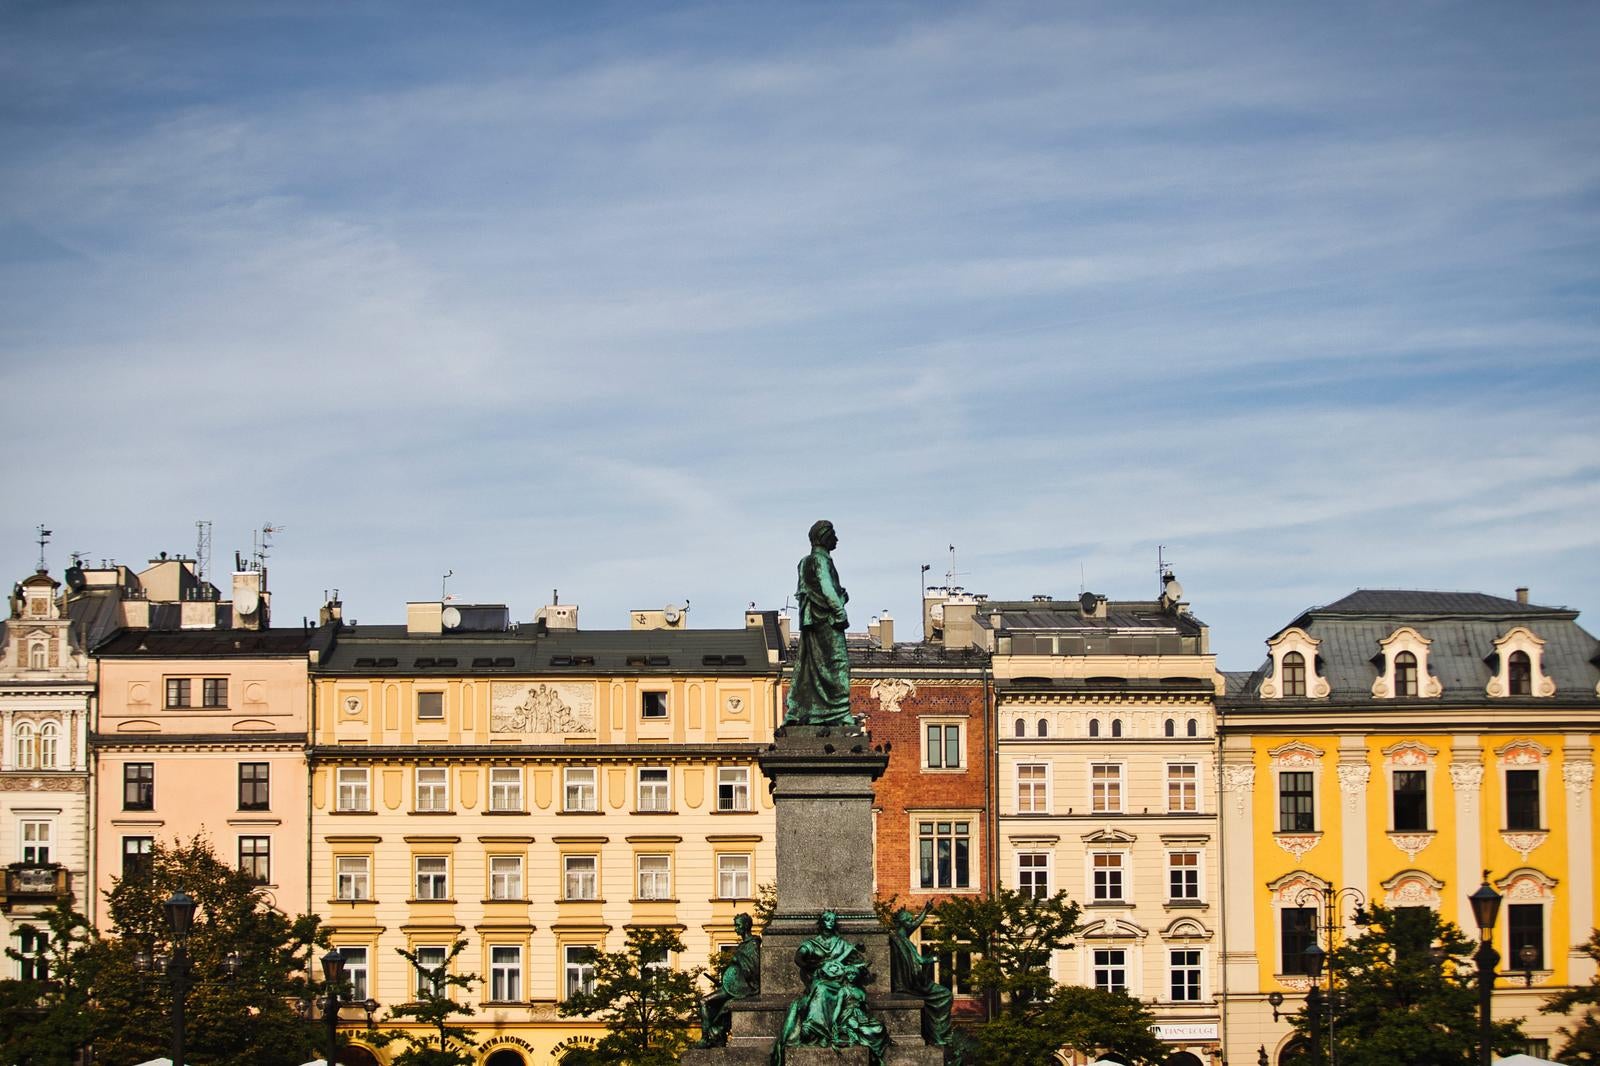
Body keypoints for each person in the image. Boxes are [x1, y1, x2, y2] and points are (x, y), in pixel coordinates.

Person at [772, 910, 888, 1066]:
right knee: (820, 987)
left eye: (833, 919)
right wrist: (812, 966)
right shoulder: (813, 943)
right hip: (821, 981)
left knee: (826, 989)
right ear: (821, 923)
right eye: (827, 919)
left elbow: (861, 961)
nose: (831, 922)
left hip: (840, 982)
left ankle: (817, 1029)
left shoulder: (841, 944)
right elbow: (799, 957)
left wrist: (856, 967)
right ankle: (813, 1027)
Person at [784, 520, 854, 727]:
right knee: (838, 664)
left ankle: (810, 711)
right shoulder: (820, 561)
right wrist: (840, 611)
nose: (837, 539)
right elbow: (826, 588)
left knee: (810, 667)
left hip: (812, 622)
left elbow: (810, 591)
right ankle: (839, 711)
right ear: (824, 537)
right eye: (834, 535)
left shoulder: (804, 562)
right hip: (827, 621)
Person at [888, 903, 958, 1056]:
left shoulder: (903, 938)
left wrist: (925, 911)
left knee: (944, 995)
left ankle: (938, 1033)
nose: (912, 922)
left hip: (915, 982)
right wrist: (930, 958)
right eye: (908, 920)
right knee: (945, 995)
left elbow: (915, 926)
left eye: (911, 920)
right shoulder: (899, 941)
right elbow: (919, 961)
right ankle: (938, 1034)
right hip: (911, 984)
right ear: (901, 924)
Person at [697, 913, 761, 1047]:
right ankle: (711, 1036)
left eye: (738, 925)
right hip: (732, 988)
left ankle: (706, 1038)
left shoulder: (752, 944)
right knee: (706, 1002)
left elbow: (754, 968)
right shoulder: (744, 945)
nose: (735, 928)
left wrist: (738, 960)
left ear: (746, 926)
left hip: (742, 989)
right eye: (735, 925)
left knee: (704, 1002)